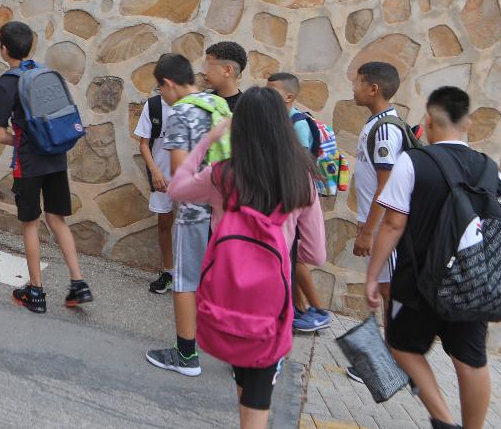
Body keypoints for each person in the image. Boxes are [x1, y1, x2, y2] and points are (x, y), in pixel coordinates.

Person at [168, 86, 327, 429]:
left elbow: (177, 190)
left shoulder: (222, 174)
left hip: (227, 293)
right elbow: (316, 253)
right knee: (257, 391)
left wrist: (205, 143)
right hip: (273, 302)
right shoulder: (303, 180)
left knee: (244, 379)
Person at [367, 87, 501, 429]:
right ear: (468, 123)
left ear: (428, 120)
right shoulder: (491, 171)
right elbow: (497, 217)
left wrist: (373, 275)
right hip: (471, 279)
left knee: (401, 345)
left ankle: (444, 419)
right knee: (471, 359)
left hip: (418, 281)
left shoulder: (413, 161)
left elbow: (392, 224)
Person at [0, 21, 91, 313]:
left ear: (4, 49)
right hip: (56, 155)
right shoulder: (44, 72)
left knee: (31, 225)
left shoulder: (7, 82)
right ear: (31, 46)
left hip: (29, 163)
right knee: (57, 219)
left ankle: (35, 290)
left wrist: (21, 140)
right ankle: (78, 282)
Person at [145, 53, 232, 377]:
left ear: (168, 84)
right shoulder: (218, 105)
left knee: (185, 281)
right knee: (225, 283)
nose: (162, 97)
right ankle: (243, 358)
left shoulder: (181, 113)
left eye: (160, 90)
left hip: (195, 211)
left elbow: (181, 173)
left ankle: (186, 355)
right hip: (227, 210)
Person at [348, 60, 409, 383]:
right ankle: (392, 358)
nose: (353, 87)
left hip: (386, 228)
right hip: (378, 226)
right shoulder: (377, 123)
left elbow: (386, 186)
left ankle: (394, 362)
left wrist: (368, 232)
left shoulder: (385, 128)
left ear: (374, 88)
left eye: (358, 81)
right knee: (387, 291)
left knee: (390, 292)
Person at [266, 72, 333, 333]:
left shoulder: (298, 124)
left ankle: (314, 311)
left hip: (295, 195)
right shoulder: (277, 121)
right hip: (286, 196)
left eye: (273, 90)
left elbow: (300, 161)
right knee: (291, 258)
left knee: (296, 256)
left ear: (289, 96)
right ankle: (301, 310)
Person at [134, 88, 175, 294]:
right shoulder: (154, 105)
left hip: (190, 179)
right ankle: (168, 272)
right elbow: (143, 143)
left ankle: (192, 277)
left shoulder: (193, 105)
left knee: (191, 228)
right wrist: (155, 170)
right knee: (164, 224)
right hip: (162, 177)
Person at [204, 41, 246, 110]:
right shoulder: (204, 99)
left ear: (227, 70)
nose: (205, 72)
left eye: (209, 67)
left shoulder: (244, 110)